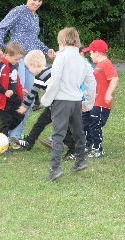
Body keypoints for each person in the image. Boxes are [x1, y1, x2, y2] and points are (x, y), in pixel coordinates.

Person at [0, 0, 56, 141]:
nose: (37, 3)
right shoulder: (19, 11)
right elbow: (1, 28)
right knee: (16, 97)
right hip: (17, 60)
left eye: (40, 1)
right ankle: (6, 133)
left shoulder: (35, 17)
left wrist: (47, 50)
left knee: (30, 98)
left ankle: (16, 135)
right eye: (34, 0)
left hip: (30, 63)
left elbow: (34, 40)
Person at [41, 27, 96, 182]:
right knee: (78, 132)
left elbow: (55, 80)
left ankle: (55, 168)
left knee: (58, 134)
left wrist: (46, 99)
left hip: (61, 101)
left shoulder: (61, 57)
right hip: (76, 101)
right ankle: (80, 161)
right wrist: (88, 101)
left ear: (63, 41)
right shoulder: (82, 60)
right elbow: (91, 82)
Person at [14, 50, 77, 161]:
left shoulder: (52, 73)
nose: (28, 70)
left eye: (28, 68)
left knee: (62, 129)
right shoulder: (39, 77)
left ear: (34, 65)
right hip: (53, 106)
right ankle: (29, 141)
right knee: (40, 122)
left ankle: (73, 150)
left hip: (63, 106)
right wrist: (24, 106)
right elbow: (32, 93)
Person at [82, 39, 119, 158]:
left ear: (97, 52)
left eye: (91, 53)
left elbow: (114, 78)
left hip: (102, 103)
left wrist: (108, 93)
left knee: (95, 124)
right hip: (95, 101)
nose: (90, 55)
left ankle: (98, 149)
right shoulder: (99, 65)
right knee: (89, 123)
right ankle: (89, 144)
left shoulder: (106, 63)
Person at [0, 42, 25, 144]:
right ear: (8, 55)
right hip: (3, 101)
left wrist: (21, 89)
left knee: (20, 115)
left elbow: (16, 79)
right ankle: (2, 144)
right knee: (5, 122)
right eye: (16, 59)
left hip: (14, 99)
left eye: (19, 59)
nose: (17, 61)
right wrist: (4, 92)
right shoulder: (0, 67)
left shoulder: (15, 65)